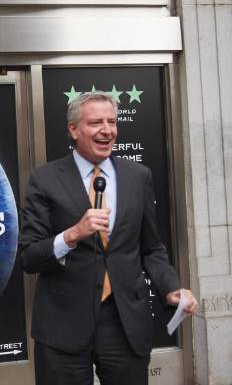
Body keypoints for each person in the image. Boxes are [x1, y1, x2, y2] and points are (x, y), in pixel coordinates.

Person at [20, 92, 197, 385]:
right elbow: (29, 255)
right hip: (63, 323)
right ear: (73, 129)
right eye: (95, 123)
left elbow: (151, 247)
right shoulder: (46, 178)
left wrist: (170, 288)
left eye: (112, 122)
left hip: (124, 320)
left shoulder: (138, 176)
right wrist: (73, 234)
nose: (107, 129)